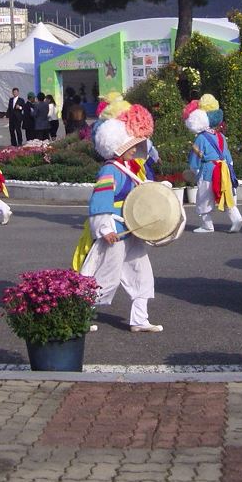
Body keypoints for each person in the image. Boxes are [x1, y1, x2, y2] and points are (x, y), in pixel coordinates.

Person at [76, 108, 162, 332]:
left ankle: (139, 320)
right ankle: (78, 316)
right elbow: (100, 200)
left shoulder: (127, 168)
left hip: (131, 229)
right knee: (106, 275)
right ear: (119, 145)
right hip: (115, 230)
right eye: (131, 145)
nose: (135, 149)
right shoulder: (109, 170)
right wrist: (105, 228)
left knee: (141, 272)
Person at [185, 94, 242, 233]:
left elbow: (195, 159)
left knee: (204, 197)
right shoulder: (220, 136)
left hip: (208, 171)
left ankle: (207, 225)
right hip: (224, 170)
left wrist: (193, 170)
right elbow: (228, 156)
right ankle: (236, 219)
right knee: (226, 195)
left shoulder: (200, 138)